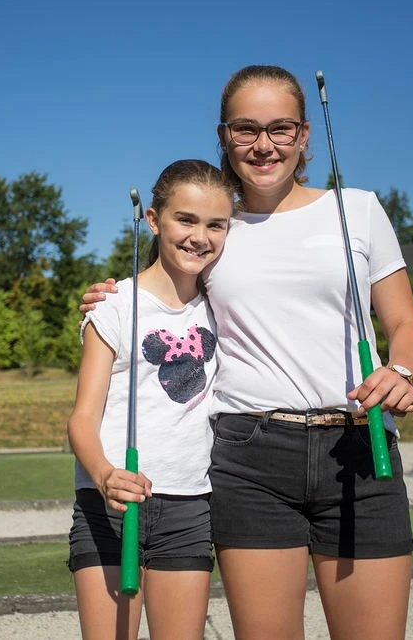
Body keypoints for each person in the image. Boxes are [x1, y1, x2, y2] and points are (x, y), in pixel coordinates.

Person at [80, 65, 413, 639]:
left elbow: (406, 325)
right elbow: (162, 292)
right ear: (223, 136)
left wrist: (401, 369)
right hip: (252, 458)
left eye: (280, 128)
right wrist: (109, 298)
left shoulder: (359, 210)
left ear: (305, 135)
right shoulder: (216, 226)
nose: (263, 144)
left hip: (360, 450)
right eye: (246, 128)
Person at [66, 159, 234, 640]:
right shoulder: (113, 305)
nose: (199, 236)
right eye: (185, 219)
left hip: (190, 506)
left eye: (215, 224)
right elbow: (81, 420)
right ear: (153, 219)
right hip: (108, 506)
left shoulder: (223, 306)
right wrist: (104, 477)